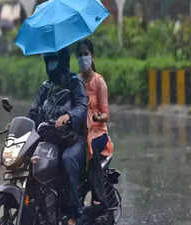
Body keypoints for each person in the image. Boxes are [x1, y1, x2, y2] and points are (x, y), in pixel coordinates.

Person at [27, 47, 87, 225]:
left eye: (54, 60)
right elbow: (33, 111)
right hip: (49, 140)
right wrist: (21, 123)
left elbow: (82, 106)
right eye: (48, 61)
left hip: (72, 140)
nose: (50, 64)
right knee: (30, 162)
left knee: (68, 161)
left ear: (62, 60)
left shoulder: (75, 83)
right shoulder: (45, 87)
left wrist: (69, 116)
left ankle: (76, 215)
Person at [75, 39, 113, 206]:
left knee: (89, 146)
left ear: (92, 56)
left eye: (86, 54)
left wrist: (97, 118)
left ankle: (99, 199)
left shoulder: (99, 82)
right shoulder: (75, 81)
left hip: (98, 133)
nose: (83, 58)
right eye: (80, 55)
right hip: (80, 130)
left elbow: (106, 114)